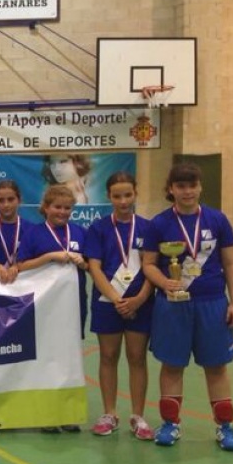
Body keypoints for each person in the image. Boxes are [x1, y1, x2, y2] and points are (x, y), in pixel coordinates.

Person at [141, 163, 233, 451]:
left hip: (212, 303)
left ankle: (225, 427)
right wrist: (165, 281)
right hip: (172, 305)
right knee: (172, 364)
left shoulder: (217, 220)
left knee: (216, 366)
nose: (187, 191)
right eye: (181, 186)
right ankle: (171, 424)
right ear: (171, 189)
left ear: (200, 186)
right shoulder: (159, 223)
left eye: (192, 185)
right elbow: (148, 264)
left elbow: (231, 263)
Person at [83, 173, 156, 440]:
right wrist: (116, 298)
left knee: (137, 358)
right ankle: (110, 413)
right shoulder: (99, 228)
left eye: (128, 195)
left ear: (135, 193)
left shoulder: (149, 228)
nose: (123, 201)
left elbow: (152, 268)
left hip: (141, 304)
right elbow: (94, 267)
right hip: (107, 303)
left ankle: (138, 416)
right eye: (117, 196)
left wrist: (139, 298)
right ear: (108, 197)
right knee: (108, 356)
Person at [19, 184, 90, 433]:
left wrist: (84, 263)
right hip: (44, 307)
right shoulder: (34, 234)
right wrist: (49, 257)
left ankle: (68, 412)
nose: (62, 212)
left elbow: (94, 266)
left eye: (67, 208)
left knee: (70, 357)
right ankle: (48, 414)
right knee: (47, 357)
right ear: (46, 208)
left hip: (73, 304)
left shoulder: (80, 232)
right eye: (57, 207)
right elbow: (20, 267)